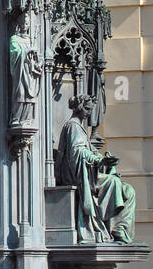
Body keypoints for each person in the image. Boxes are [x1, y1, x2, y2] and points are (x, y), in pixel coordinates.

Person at [55, 95, 136, 244]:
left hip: (89, 172)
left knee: (128, 191)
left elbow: (90, 151)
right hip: (77, 175)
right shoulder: (73, 126)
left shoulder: (80, 128)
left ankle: (119, 228)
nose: (88, 113)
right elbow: (77, 152)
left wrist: (106, 160)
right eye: (86, 109)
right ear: (79, 107)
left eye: (90, 110)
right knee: (113, 182)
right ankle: (104, 225)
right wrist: (99, 160)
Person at [8, 13, 42, 126]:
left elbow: (38, 58)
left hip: (30, 73)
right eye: (23, 23)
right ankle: (16, 118)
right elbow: (15, 53)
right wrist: (27, 51)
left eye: (27, 23)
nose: (24, 25)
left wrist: (39, 63)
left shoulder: (31, 40)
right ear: (19, 24)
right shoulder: (14, 38)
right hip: (20, 72)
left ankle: (26, 119)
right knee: (20, 93)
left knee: (30, 97)